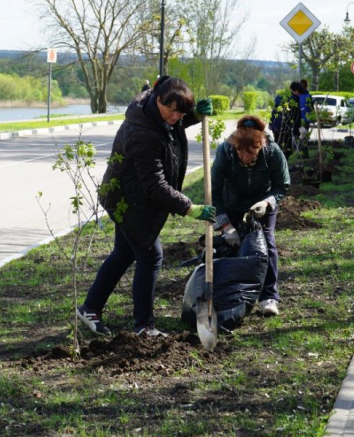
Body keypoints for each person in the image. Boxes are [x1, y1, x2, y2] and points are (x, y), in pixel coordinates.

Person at [77, 76, 216, 337]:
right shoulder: (141, 132)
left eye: (181, 111)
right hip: (128, 200)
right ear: (157, 99)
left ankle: (91, 308)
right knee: (150, 256)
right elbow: (155, 185)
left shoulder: (157, 114)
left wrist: (194, 115)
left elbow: (172, 125)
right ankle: (144, 326)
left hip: (132, 196)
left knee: (124, 253)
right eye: (171, 109)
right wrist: (189, 208)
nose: (175, 116)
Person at [210, 116, 290, 317]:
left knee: (266, 244)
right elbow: (214, 192)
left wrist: (267, 202)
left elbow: (282, 185)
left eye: (250, 153)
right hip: (231, 201)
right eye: (240, 151)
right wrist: (226, 225)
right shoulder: (225, 153)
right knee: (230, 245)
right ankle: (230, 295)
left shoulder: (272, 153)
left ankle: (268, 297)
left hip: (261, 201)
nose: (244, 157)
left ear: (261, 146)